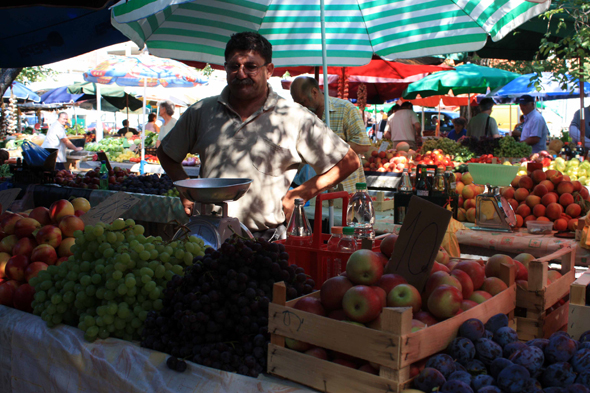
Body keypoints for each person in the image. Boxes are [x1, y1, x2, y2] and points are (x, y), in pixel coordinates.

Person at [157, 32, 359, 239]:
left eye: (251, 67)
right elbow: (166, 153)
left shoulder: (294, 116)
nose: (241, 73)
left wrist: (300, 193)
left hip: (267, 239)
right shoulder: (201, 111)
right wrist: (185, 188)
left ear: (269, 70)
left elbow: (348, 161)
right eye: (233, 66)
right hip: (208, 234)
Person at [290, 76, 371, 194]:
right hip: (312, 190)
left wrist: (326, 151)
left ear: (314, 92)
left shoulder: (345, 109)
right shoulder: (301, 116)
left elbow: (363, 145)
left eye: (303, 102)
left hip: (345, 190)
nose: (301, 107)